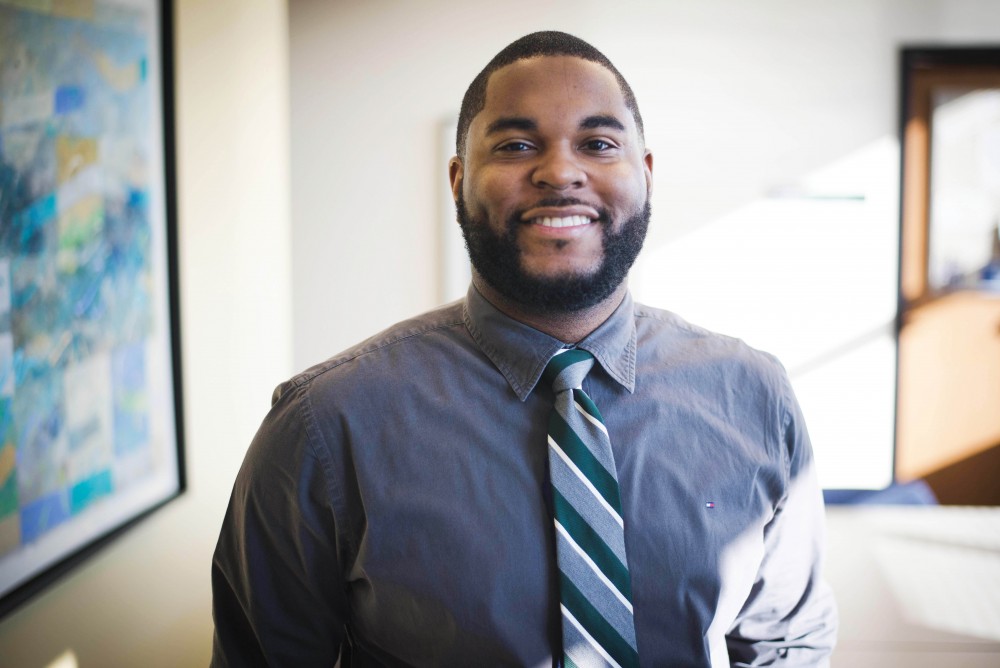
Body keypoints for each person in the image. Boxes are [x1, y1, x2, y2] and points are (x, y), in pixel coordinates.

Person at [211, 31, 837, 667]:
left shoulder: (756, 397)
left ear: (645, 175)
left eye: (598, 144)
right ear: (458, 181)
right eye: (515, 145)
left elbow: (785, 643)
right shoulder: (323, 427)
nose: (560, 172)